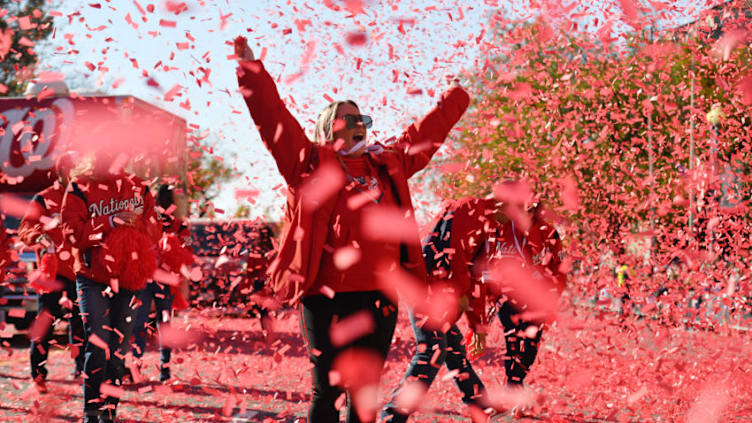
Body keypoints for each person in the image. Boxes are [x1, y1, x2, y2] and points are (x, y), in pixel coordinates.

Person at [234, 36, 469, 423]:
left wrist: (455, 95)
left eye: (361, 119)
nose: (358, 125)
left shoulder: (387, 165)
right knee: (327, 391)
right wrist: (251, 71)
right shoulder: (307, 164)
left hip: (379, 296)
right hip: (325, 297)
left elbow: (426, 134)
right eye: (348, 119)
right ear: (329, 129)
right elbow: (274, 120)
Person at [62, 150, 161, 423]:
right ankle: (91, 416)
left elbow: (156, 230)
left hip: (129, 278)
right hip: (92, 279)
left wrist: (139, 224)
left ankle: (108, 416)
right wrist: (109, 222)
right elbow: (71, 233)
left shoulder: (140, 187)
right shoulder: (79, 186)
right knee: (97, 346)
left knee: (118, 352)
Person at [382, 197, 499, 422]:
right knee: (432, 350)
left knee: (452, 347)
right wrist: (476, 324)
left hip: (441, 289)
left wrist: (478, 323)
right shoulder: (470, 210)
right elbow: (458, 261)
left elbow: (478, 274)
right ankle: (393, 414)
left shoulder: (490, 222)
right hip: (428, 287)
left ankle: (480, 403)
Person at [18, 153, 86, 392]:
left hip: (79, 272)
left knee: (81, 324)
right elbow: (24, 230)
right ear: (57, 173)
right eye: (65, 171)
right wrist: (40, 236)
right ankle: (38, 374)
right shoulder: (43, 199)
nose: (68, 175)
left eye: (72, 170)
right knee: (45, 324)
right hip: (52, 273)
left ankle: (82, 370)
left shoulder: (82, 197)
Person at [486, 194, 566, 391]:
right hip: (508, 297)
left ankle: (516, 381)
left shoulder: (549, 232)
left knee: (531, 340)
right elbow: (488, 263)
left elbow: (562, 265)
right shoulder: (500, 230)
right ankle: (512, 383)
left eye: (529, 209)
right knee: (512, 339)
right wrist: (491, 296)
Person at [130, 184, 190, 383]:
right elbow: (187, 251)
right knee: (164, 325)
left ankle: (136, 368)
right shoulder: (181, 225)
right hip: (166, 281)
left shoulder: (146, 222)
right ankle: (165, 372)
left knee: (140, 324)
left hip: (146, 278)